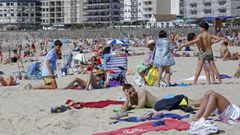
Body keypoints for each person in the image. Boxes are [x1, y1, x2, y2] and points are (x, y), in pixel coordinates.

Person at [120, 84, 201, 113]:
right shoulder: (130, 99)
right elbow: (123, 110)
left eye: (133, 90)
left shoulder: (141, 92)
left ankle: (204, 102)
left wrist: (130, 104)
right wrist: (128, 99)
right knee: (189, 102)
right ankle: (204, 101)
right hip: (165, 102)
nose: (133, 93)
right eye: (130, 93)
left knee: (189, 102)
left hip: (164, 100)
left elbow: (140, 107)